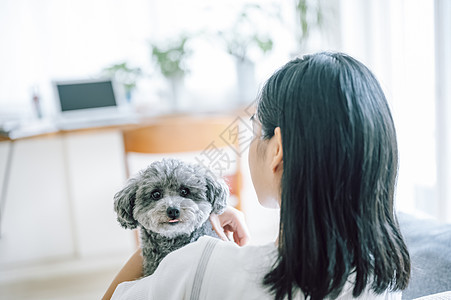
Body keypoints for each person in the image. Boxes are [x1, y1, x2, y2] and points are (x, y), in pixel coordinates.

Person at [104, 52, 411, 300]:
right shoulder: (382, 276)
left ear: (277, 149)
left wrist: (168, 241)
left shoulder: (196, 265)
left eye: (254, 132)